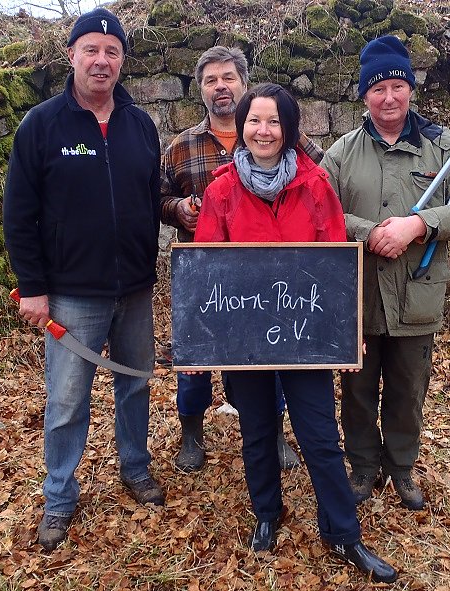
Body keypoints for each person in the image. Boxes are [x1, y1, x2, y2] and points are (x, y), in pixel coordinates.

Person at [194, 83, 398, 584]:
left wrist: (346, 330)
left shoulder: (315, 186)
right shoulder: (221, 192)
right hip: (246, 338)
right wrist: (201, 341)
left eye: (274, 122)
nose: (263, 131)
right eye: (254, 121)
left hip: (305, 336)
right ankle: (267, 512)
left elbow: (335, 264)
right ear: (241, 126)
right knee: (257, 431)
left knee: (320, 436)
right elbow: (204, 268)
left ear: (289, 129)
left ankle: (343, 533)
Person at [3, 8, 164, 552]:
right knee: (68, 399)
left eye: (112, 51)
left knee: (135, 383)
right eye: (91, 49)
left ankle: (135, 467)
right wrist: (32, 287)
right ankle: (59, 496)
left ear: (123, 60)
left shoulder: (140, 125)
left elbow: (149, 200)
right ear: (71, 54)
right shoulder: (42, 125)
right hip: (72, 294)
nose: (101, 60)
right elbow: (18, 214)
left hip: (135, 289)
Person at [321, 36, 450, 509]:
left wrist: (420, 225)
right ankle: (362, 466)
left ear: (411, 89)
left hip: (417, 294)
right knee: (357, 390)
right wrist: (369, 232)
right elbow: (321, 212)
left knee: (408, 388)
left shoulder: (445, 150)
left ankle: (401, 467)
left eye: (397, 85)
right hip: (360, 294)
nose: (389, 97)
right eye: (378, 89)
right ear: (364, 96)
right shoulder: (341, 153)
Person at [161, 46, 318, 472]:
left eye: (228, 78)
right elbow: (158, 198)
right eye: (211, 80)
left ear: (244, 84)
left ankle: (273, 432)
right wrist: (178, 209)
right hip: (206, 274)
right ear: (200, 90)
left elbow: (318, 177)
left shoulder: (283, 133)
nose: (221, 87)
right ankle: (191, 434)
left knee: (269, 352)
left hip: (269, 275)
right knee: (196, 356)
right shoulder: (181, 146)